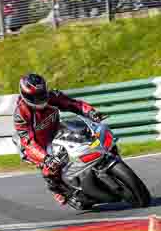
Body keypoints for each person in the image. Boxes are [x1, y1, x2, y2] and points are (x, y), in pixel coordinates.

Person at [12, 73, 105, 207]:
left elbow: (73, 104)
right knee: (51, 167)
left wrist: (90, 112)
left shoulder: (51, 96)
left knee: (84, 132)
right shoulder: (21, 114)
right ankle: (62, 192)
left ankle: (104, 157)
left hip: (55, 130)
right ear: (25, 96)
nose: (40, 99)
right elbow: (28, 142)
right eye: (35, 97)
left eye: (42, 93)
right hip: (36, 145)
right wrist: (45, 158)